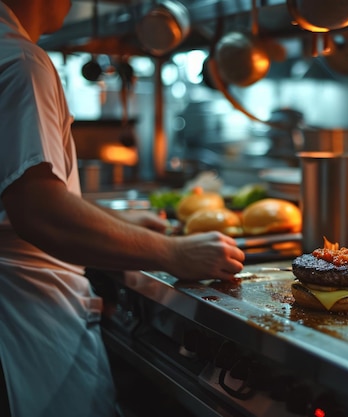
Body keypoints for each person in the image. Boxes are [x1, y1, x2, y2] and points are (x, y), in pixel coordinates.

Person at [0, 1, 245, 416]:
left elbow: (15, 198)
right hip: (26, 320)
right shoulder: (23, 62)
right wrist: (174, 253)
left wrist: (120, 223)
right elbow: (39, 212)